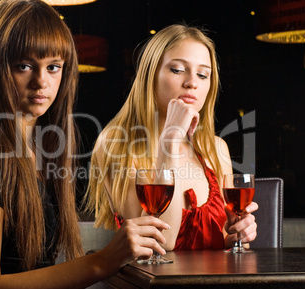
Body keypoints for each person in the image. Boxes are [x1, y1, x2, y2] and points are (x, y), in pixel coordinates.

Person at [0, 1, 170, 288]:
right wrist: (103, 261)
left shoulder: (41, 145)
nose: (41, 82)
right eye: (24, 66)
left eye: (53, 67)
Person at [85, 23, 258, 251]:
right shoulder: (115, 145)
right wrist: (171, 141)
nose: (192, 83)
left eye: (203, 74)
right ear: (150, 76)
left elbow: (225, 240)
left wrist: (236, 236)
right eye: (177, 70)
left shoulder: (216, 148)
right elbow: (161, 242)